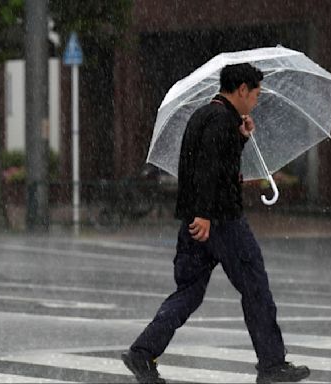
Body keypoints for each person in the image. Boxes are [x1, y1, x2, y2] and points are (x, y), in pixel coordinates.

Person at [121, 63, 311, 384]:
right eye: (255, 94)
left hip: (195, 222)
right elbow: (210, 169)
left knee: (189, 292)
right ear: (241, 90)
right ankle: (272, 364)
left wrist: (241, 138)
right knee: (255, 287)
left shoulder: (204, 117)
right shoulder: (222, 121)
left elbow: (213, 162)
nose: (256, 101)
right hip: (222, 221)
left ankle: (143, 352)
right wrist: (206, 214)